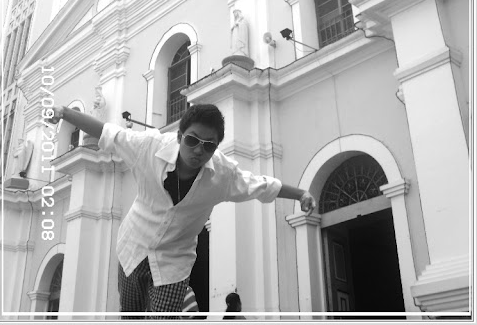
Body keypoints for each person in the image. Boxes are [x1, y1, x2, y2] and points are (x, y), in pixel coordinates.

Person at [48, 103, 316, 318]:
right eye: (192, 140)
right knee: (130, 315)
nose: (199, 150)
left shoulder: (223, 175)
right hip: (133, 247)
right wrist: (64, 113)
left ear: (216, 147)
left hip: (174, 263)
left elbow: (261, 185)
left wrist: (301, 194)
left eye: (208, 145)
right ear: (179, 136)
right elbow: (108, 132)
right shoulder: (149, 146)